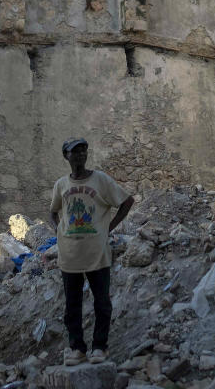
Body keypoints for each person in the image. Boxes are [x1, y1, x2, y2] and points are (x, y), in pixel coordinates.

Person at [50, 138, 134, 366]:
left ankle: (100, 347)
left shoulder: (101, 180)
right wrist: (59, 231)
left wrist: (109, 228)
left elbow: (127, 201)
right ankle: (77, 348)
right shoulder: (61, 185)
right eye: (74, 152)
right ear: (66, 156)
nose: (80, 156)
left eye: (83, 151)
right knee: (72, 306)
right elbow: (53, 211)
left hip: (97, 253)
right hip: (70, 255)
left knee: (102, 303)